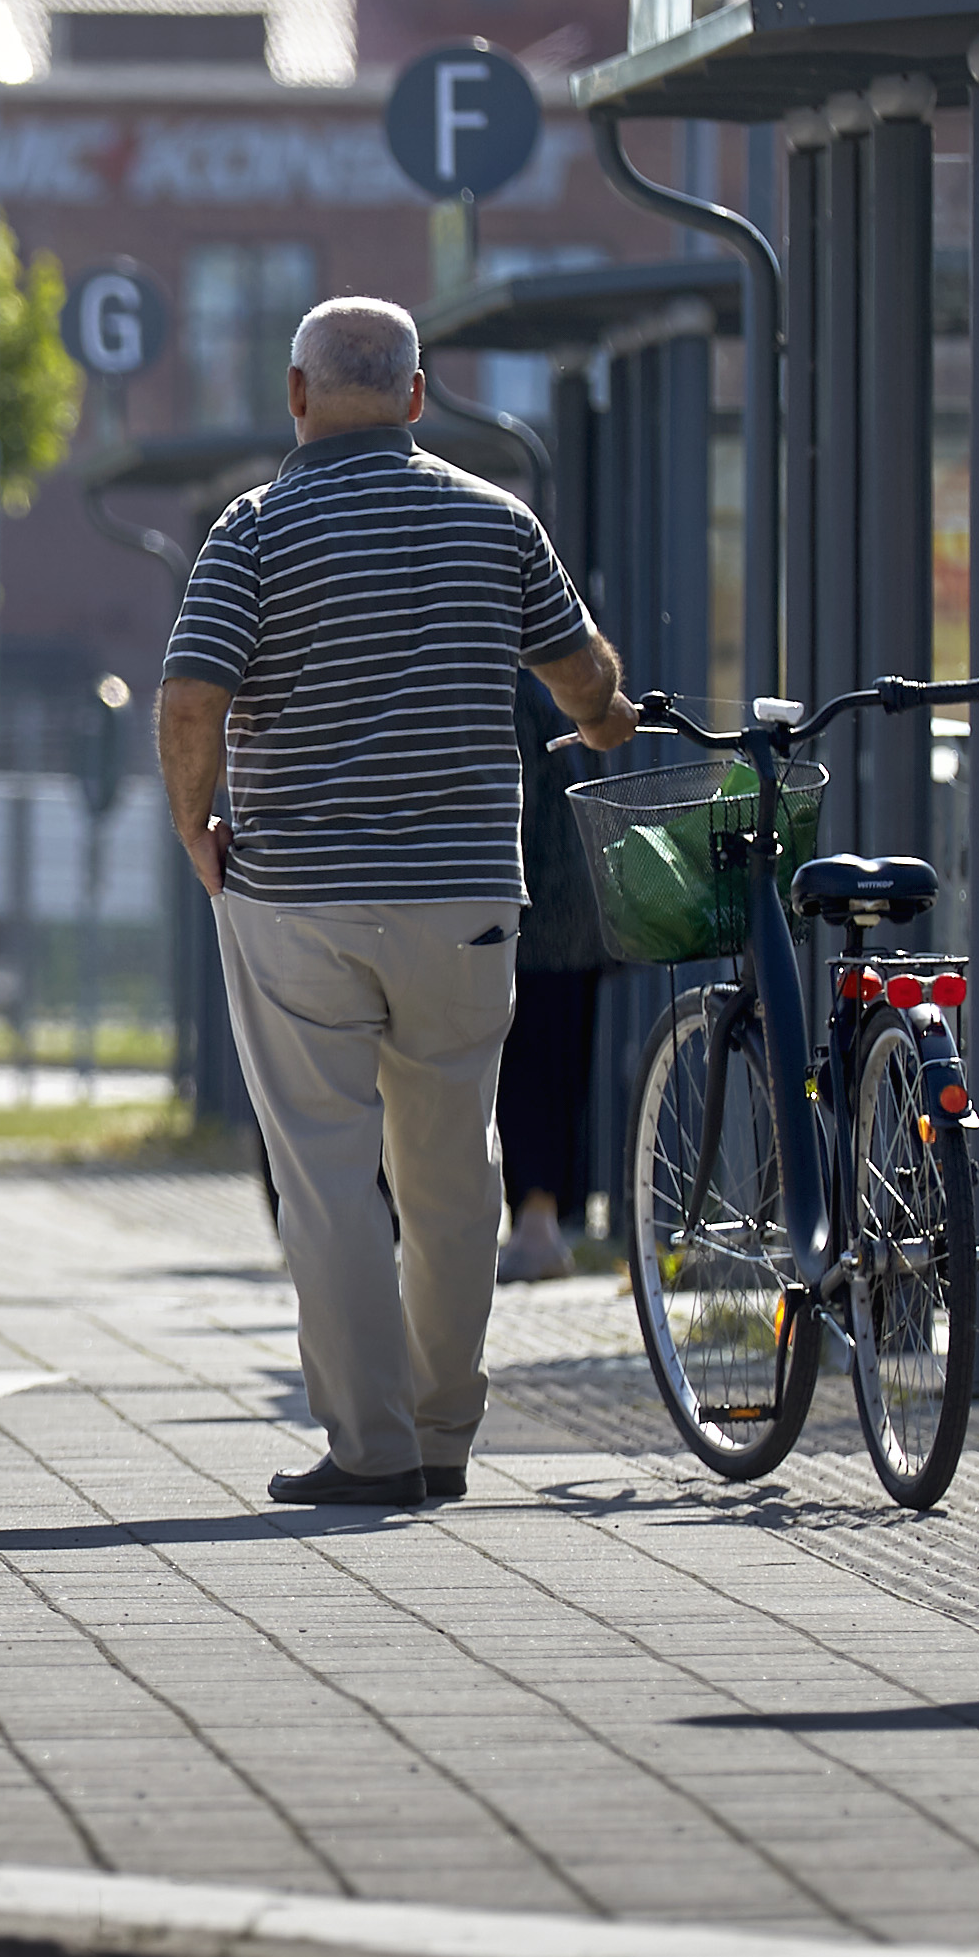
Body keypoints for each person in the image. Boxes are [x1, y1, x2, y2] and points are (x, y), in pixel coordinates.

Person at [158, 300, 638, 1509]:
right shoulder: (497, 521)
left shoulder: (256, 532)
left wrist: (195, 829)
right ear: (419, 398)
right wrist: (606, 727)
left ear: (297, 393)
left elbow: (188, 705)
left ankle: (368, 1449)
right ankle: (441, 1436)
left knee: (325, 1173)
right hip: (466, 900)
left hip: (297, 898)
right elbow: (582, 673)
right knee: (452, 1171)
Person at [498, 669, 610, 1282]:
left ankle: (537, 1232)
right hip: (568, 916)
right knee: (559, 1074)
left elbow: (517, 810)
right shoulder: (539, 683)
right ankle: (540, 1228)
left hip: (535, 921)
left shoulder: (504, 687)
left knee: (527, 1076)